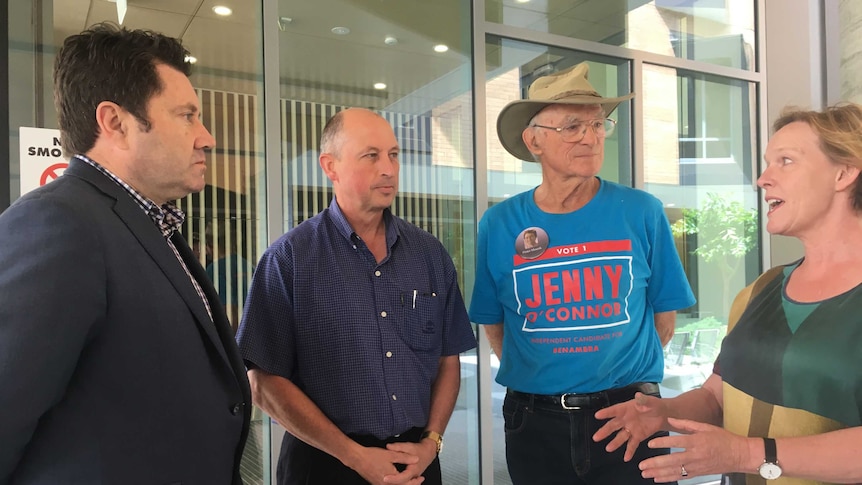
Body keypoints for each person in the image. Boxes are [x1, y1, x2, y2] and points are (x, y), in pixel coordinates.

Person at [0, 23, 250, 484]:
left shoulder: (151, 225)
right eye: (187, 115)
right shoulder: (59, 224)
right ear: (115, 123)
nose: (207, 137)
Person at [593, 103, 862, 484]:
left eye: (785, 161)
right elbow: (719, 395)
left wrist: (746, 453)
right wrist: (662, 412)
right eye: (768, 163)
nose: (763, 179)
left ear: (845, 171)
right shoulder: (758, 292)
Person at [469, 61, 695, 484]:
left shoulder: (641, 211)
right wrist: (545, 380)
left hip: (629, 416)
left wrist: (625, 386)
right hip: (534, 421)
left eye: (597, 125)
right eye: (572, 126)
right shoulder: (499, 224)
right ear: (533, 140)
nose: (591, 137)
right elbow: (495, 323)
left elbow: (663, 318)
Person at [236, 107, 477, 485]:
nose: (389, 168)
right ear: (330, 166)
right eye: (372, 155)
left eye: (394, 155)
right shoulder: (290, 259)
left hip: (416, 463)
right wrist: (353, 456)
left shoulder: (430, 255)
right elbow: (263, 381)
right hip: (325, 465)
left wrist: (431, 442)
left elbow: (448, 359)